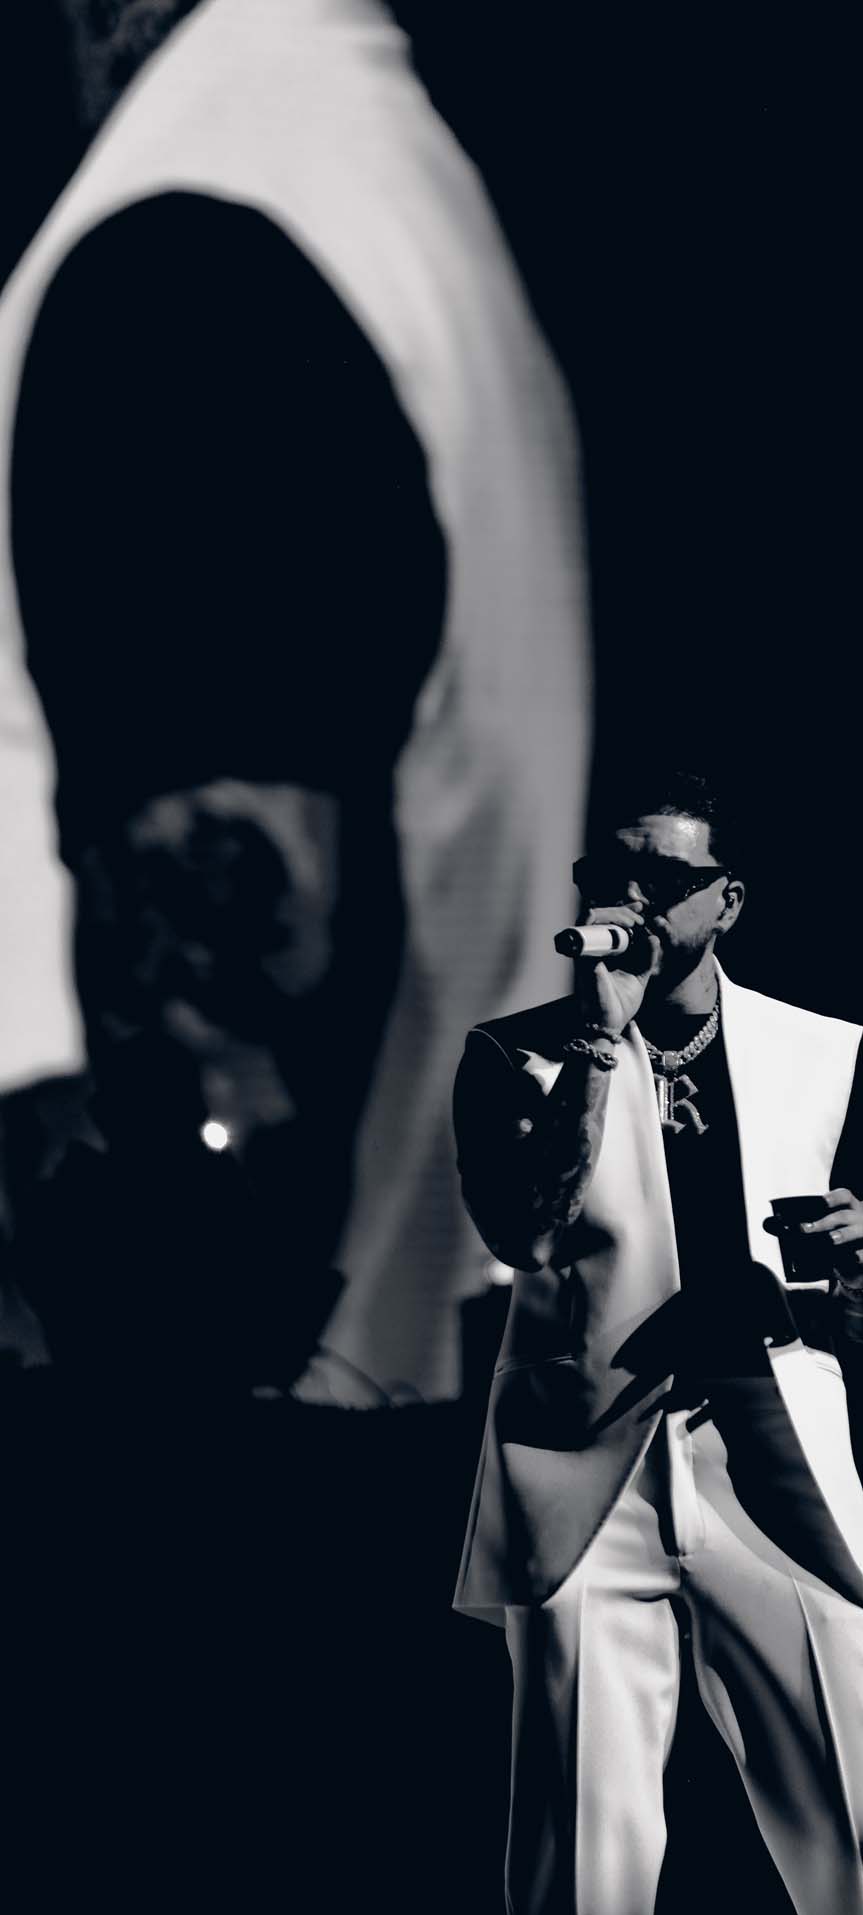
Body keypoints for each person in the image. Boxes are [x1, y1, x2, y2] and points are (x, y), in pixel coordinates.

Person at [0, 0, 588, 1400]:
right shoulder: (362, 188)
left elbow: (216, 1092)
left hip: (185, 1481)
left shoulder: (192, 269)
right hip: (344, 1437)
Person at [452, 770, 863, 1915]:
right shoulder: (514, 1056)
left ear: (727, 900)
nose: (630, 895)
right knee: (582, 1851)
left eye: (662, 877)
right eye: (606, 873)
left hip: (770, 1462)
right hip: (582, 1469)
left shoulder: (822, 1054)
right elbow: (524, 1235)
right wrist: (598, 1042)